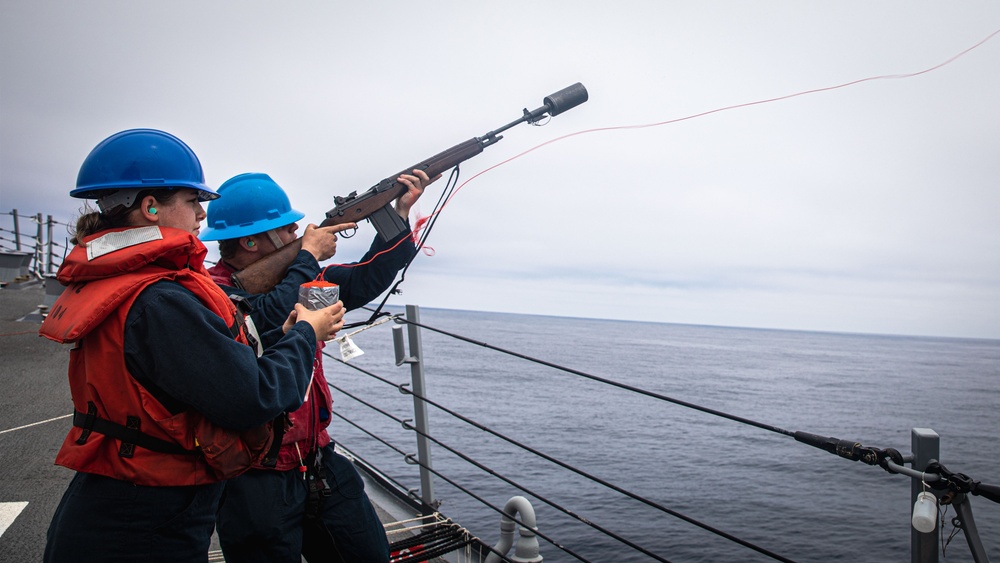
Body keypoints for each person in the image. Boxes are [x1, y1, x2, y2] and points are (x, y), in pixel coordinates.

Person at [39, 129, 344, 563]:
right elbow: (255, 397)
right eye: (191, 200)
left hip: (118, 496)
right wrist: (305, 333)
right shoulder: (160, 299)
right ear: (150, 207)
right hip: (146, 519)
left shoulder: (120, 281)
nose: (203, 213)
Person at [200, 169, 435, 563]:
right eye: (290, 232)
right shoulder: (211, 293)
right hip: (253, 473)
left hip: (316, 457)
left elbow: (364, 280)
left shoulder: (303, 278)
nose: (299, 237)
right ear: (251, 240)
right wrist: (307, 258)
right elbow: (265, 320)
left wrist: (398, 216)